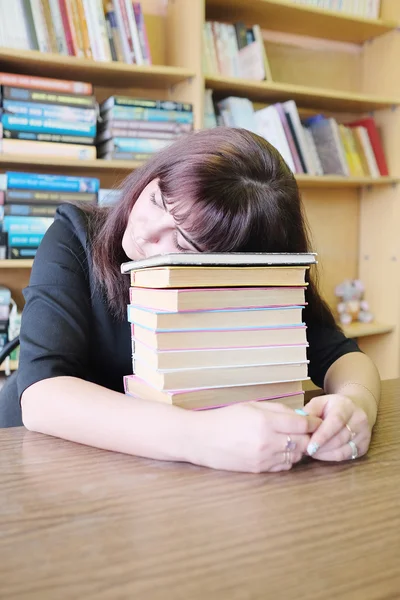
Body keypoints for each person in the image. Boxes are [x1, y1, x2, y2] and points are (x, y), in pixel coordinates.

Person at [16, 127, 380, 473]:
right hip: (41, 462)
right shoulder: (74, 236)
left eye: (182, 243)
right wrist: (202, 437)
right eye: (158, 200)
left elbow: (340, 356)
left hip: (160, 484)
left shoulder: (251, 274)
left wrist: (355, 405)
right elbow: (42, 395)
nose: (146, 232)